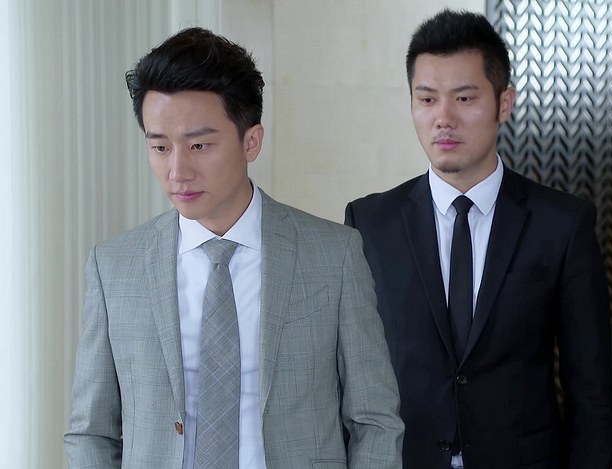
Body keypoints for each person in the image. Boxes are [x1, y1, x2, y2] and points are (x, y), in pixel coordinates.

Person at [64, 27, 403, 469]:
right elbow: (91, 432)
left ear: (251, 141)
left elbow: (374, 420)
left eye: (199, 145)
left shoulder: (333, 256)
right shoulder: (114, 268)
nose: (177, 170)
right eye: (160, 147)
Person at [345, 9, 612, 469]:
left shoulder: (562, 224)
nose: (443, 118)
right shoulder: (370, 222)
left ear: (503, 103)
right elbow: (350, 374)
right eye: (427, 99)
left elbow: (590, 385)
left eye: (464, 98)